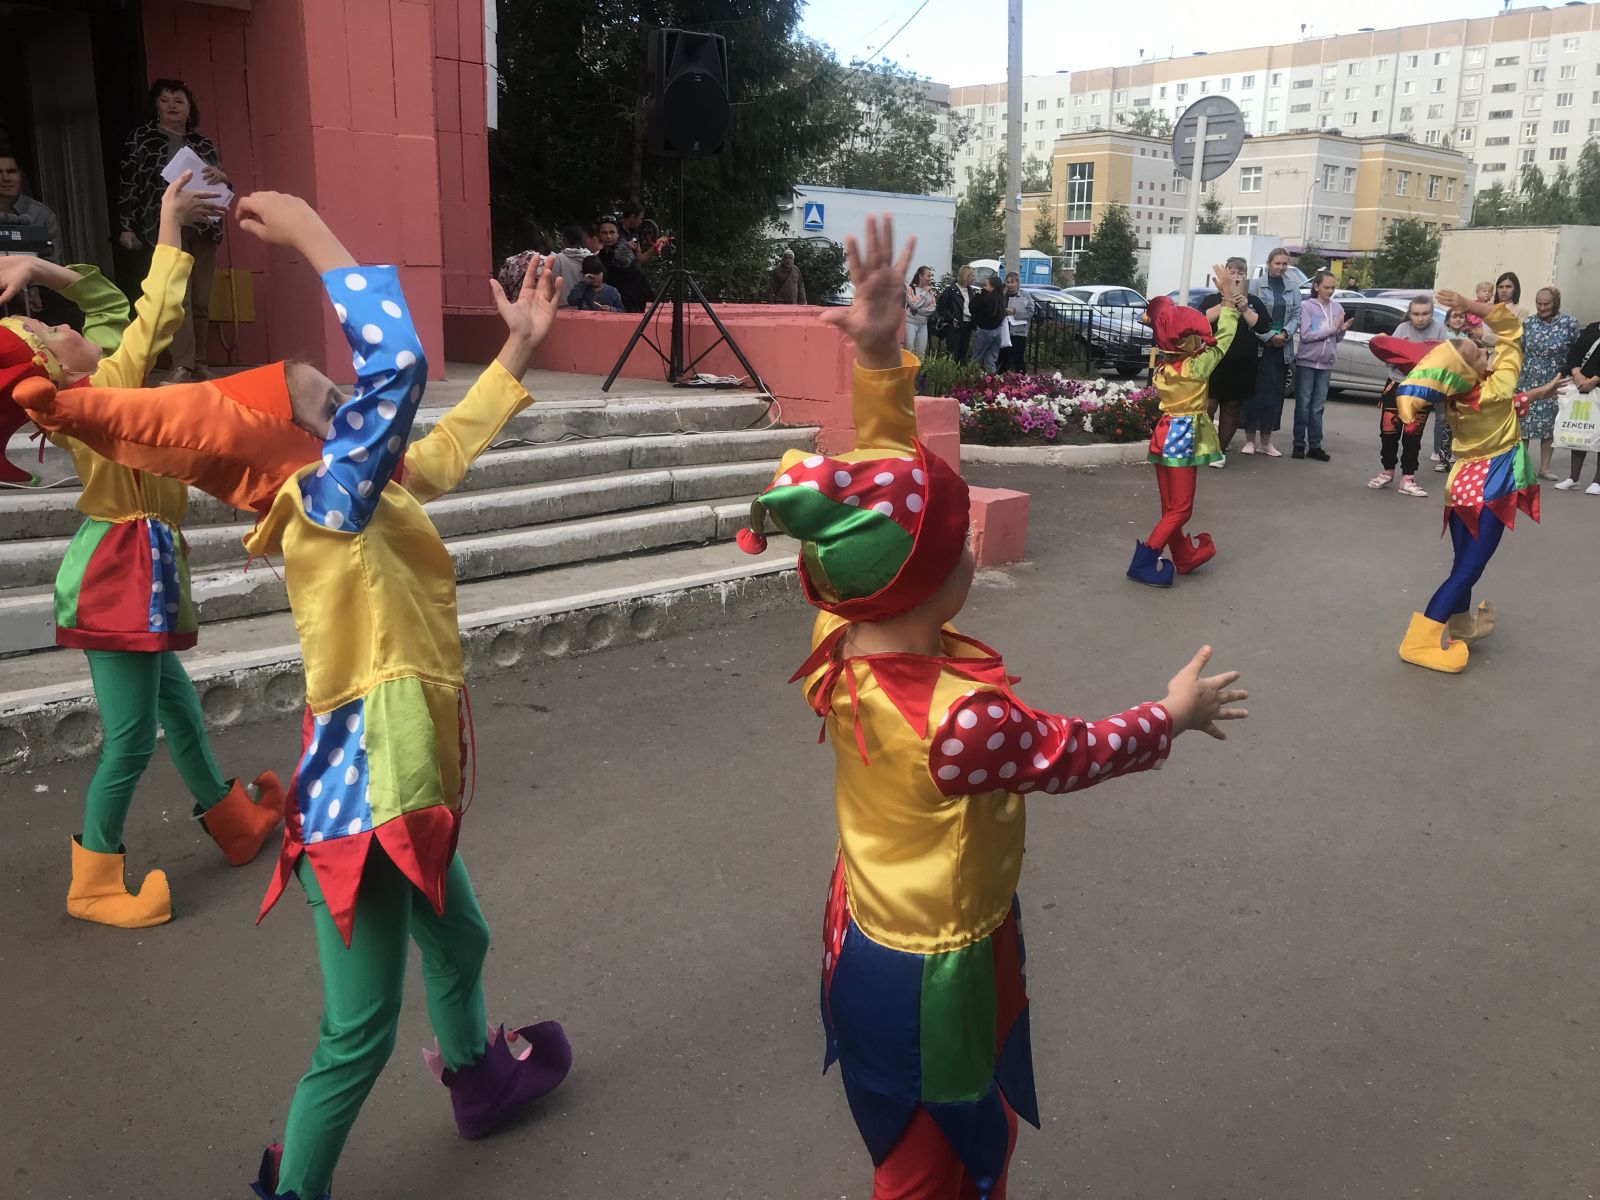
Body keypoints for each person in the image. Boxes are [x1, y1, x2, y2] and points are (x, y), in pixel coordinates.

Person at [14, 190, 573, 1198]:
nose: (336, 388)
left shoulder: (361, 488)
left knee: (462, 937)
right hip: (370, 797)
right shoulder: (326, 498)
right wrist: (316, 236)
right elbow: (397, 365)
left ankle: (479, 1079)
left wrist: (519, 350)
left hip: (399, 776)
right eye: (317, 393)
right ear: (292, 440)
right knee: (358, 1031)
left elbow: (438, 454)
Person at [732, 215, 1248, 1199]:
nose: (970, 546)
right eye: (960, 540)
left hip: (864, 937)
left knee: (912, 1147)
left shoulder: (840, 630)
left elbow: (887, 500)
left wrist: (877, 362)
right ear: (938, 582)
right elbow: (1075, 750)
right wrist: (1172, 715)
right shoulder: (960, 719)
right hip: (934, 974)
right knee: (947, 1165)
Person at [0, 172, 280, 927]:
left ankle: (236, 824)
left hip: (138, 564)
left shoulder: (90, 382)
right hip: (117, 573)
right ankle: (93, 882)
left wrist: (39, 267)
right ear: (58, 365)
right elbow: (150, 313)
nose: (70, 325)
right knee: (128, 740)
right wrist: (168, 219)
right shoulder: (93, 398)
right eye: (51, 328)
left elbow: (108, 308)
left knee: (179, 712)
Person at [1375, 289, 1564, 673]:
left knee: (1463, 563)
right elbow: (1511, 332)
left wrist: (1538, 393)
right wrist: (1472, 305)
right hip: (1490, 487)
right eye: (1478, 354)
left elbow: (1503, 407)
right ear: (1470, 371)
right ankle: (1418, 643)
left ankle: (1462, 626)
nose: (1484, 352)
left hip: (1461, 484)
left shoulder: (1456, 397)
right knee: (1468, 570)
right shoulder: (1497, 384)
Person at [1126, 267, 1239, 587]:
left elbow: (1182, 328)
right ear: (1187, 339)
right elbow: (1224, 339)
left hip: (1163, 434)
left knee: (1170, 506)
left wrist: (1221, 302)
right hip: (1182, 438)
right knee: (1182, 509)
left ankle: (1184, 556)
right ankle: (1143, 563)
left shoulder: (1164, 366)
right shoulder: (1196, 366)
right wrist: (1229, 302)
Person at [116, 79, 229, 383]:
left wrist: (222, 176)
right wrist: (126, 226)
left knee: (202, 299)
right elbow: (129, 183)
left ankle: (200, 362)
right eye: (165, 100)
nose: (172, 106)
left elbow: (222, 185)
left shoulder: (203, 144)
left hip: (204, 227)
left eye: (179, 100)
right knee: (179, 300)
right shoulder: (141, 138)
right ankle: (182, 365)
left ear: (190, 108)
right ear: (156, 106)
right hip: (163, 227)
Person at [1368, 295, 1445, 496]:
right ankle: (1387, 471)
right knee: (1389, 431)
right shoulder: (1402, 329)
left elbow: (1445, 360)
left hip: (1421, 388)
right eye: (1416, 314)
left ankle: (1408, 478)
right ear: (1409, 313)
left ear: (1432, 313)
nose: (1420, 318)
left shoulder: (1439, 330)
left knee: (1412, 434)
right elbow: (1388, 354)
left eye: (1425, 314)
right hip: (1396, 384)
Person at [1197, 257, 1267, 467]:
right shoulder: (1211, 299)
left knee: (1232, 407)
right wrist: (1226, 302)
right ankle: (1205, 446)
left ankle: (1220, 451)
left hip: (1241, 364)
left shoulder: (1253, 301)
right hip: (1213, 363)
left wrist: (1244, 309)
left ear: (1246, 276)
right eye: (1232, 272)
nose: (1236, 277)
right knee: (1207, 405)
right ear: (1224, 274)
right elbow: (1200, 321)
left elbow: (1263, 326)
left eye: (1240, 273)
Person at [1241, 247, 1300, 457]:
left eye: (1284, 264)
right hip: (1258, 348)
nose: (1281, 267)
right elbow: (1249, 315)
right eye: (1277, 263)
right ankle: (1250, 440)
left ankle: (1266, 441)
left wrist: (1284, 334)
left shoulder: (1293, 288)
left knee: (1274, 397)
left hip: (1281, 350)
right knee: (1253, 395)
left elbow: (1296, 316)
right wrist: (1268, 336)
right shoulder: (1256, 286)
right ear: (1268, 263)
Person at [1516, 286, 1579, 481]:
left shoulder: (1569, 323)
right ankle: (1521, 467)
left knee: (1549, 426)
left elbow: (1576, 350)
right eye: (1539, 304)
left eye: (1546, 304)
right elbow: (1521, 348)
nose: (1542, 308)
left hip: (1554, 381)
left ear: (1556, 303)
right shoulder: (1528, 323)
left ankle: (1545, 468)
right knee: (1523, 426)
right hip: (1528, 380)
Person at [1291, 270, 1351, 461]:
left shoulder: (1337, 308)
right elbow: (1306, 335)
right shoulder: (1307, 307)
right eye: (1326, 287)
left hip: (1325, 364)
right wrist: (1333, 329)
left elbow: (1337, 338)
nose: (1330, 291)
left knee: (1318, 406)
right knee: (1303, 404)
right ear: (1316, 287)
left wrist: (1341, 330)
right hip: (1307, 362)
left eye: (1333, 287)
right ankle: (1299, 444)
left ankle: (1315, 445)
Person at [1554, 317, 1600, 494]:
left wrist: (1595, 380)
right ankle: (1574, 478)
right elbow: (1575, 351)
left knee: (1598, 432)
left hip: (1595, 385)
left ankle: (1598, 481)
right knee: (1580, 430)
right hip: (1581, 385)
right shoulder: (1592, 327)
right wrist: (1577, 373)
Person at [0, 154, 62, 262]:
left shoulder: (43, 215)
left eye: (11, 171)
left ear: (20, 175)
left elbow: (53, 263)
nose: (6, 178)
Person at [597, 215, 664, 312]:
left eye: (612, 232)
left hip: (630, 303)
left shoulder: (621, 250)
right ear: (599, 235)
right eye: (604, 233)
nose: (608, 236)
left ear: (617, 233)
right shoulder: (602, 254)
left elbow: (635, 277)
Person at [937, 264, 979, 364]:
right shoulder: (950, 291)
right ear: (966, 276)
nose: (974, 279)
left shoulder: (972, 291)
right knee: (953, 354)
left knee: (963, 353)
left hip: (968, 325)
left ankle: (961, 373)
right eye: (972, 276)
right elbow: (942, 308)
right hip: (954, 326)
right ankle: (951, 372)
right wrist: (951, 318)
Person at [997, 271, 1034, 372]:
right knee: (1002, 359)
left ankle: (1021, 379)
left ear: (1017, 283)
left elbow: (1030, 312)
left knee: (1017, 359)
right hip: (1004, 332)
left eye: (1012, 282)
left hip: (1018, 332)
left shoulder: (1025, 295)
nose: (1010, 285)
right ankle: (1001, 379)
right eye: (1008, 282)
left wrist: (1015, 312)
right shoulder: (1003, 295)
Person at [970, 274, 1007, 372]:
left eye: (986, 285)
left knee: (976, 358)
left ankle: (970, 378)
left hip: (984, 330)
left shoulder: (985, 298)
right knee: (991, 359)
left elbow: (972, 307)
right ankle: (992, 379)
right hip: (997, 330)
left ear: (992, 288)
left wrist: (979, 295)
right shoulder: (1000, 299)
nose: (983, 287)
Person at [903, 265, 937, 357]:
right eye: (928, 276)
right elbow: (914, 304)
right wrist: (924, 293)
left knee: (921, 352)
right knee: (909, 350)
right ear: (920, 276)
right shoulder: (911, 289)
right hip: (910, 323)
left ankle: (920, 367)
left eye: (931, 276)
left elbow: (933, 307)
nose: (930, 278)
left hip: (923, 324)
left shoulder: (930, 291)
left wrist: (919, 311)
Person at [550, 225, 590, 302]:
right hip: (586, 304)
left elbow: (553, 282)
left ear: (565, 240)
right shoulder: (590, 256)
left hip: (563, 304)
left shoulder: (559, 258)